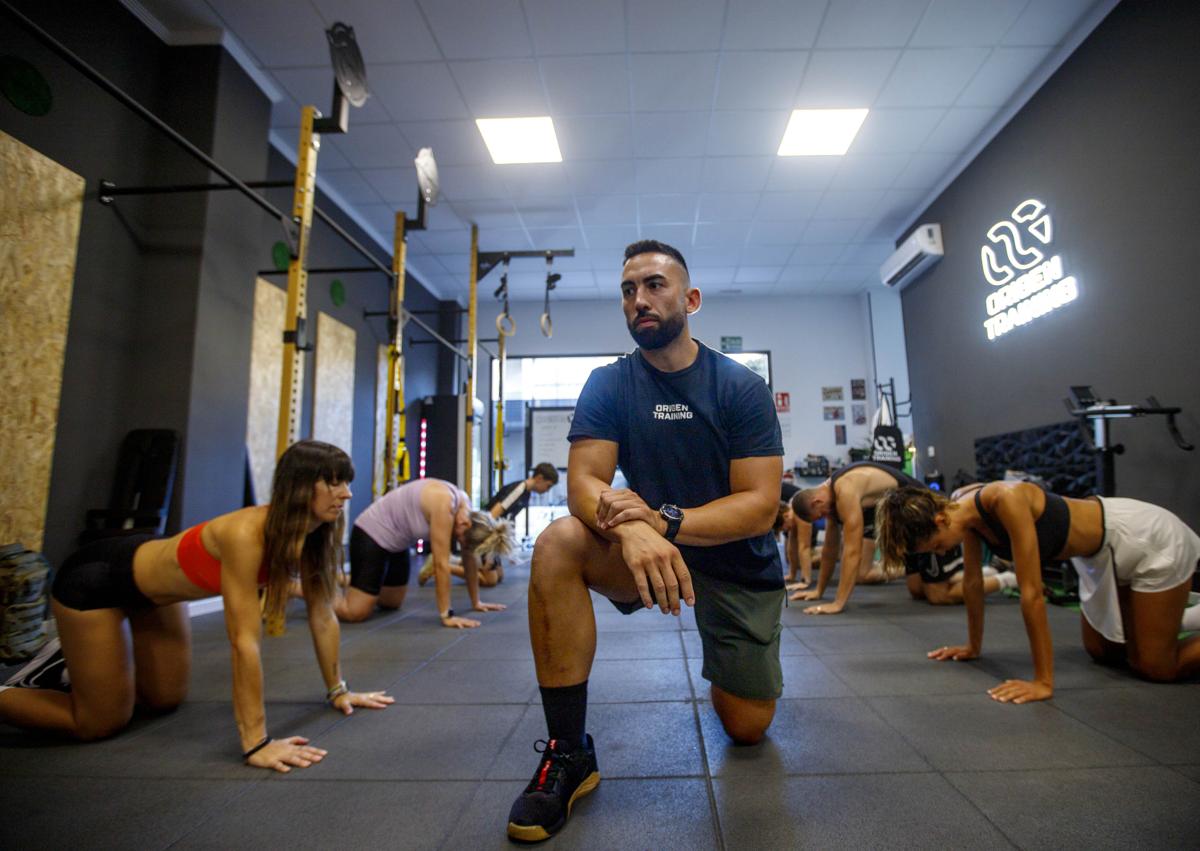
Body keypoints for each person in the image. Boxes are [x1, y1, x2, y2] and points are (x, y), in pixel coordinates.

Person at [506, 240, 784, 842]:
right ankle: (569, 751)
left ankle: (733, 663)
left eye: (655, 285)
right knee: (557, 542)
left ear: (691, 299)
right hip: (644, 550)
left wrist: (664, 522)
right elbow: (583, 482)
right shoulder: (610, 384)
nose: (640, 300)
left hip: (736, 562)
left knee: (746, 729)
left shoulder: (739, 387)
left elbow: (760, 506)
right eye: (629, 290)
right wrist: (634, 528)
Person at [0, 440, 393, 771]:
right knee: (98, 722)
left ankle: (74, 664)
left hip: (155, 597)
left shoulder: (313, 537)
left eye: (348, 483)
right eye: (335, 483)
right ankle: (38, 676)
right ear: (301, 486)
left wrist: (338, 690)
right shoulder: (246, 534)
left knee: (164, 699)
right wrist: (256, 742)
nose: (348, 494)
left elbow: (323, 616)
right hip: (98, 581)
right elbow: (244, 641)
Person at [875, 482, 1200, 704]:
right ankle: (1170, 622)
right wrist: (972, 646)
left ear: (941, 518)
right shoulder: (963, 508)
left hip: (1144, 539)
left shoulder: (1006, 499)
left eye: (936, 545)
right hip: (1102, 558)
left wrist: (1043, 682)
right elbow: (973, 583)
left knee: (1158, 667)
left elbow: (1031, 593)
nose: (939, 552)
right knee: (1104, 651)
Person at [790, 462, 1017, 613]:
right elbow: (830, 548)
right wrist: (818, 591)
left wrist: (838, 603)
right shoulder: (833, 496)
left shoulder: (845, 490)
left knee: (938, 595)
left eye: (822, 514)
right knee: (917, 591)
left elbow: (852, 548)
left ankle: (1010, 578)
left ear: (816, 502)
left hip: (929, 523)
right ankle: (993, 570)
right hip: (910, 532)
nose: (827, 517)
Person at [338, 477, 513, 628]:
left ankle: (347, 581)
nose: (459, 541)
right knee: (356, 612)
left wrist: (476, 602)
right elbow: (441, 564)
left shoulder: (466, 509)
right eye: (462, 540)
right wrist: (447, 615)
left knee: (392, 602)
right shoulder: (445, 505)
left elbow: (468, 557)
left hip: (398, 544)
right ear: (465, 525)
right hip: (371, 534)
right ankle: (316, 587)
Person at [419, 463, 558, 588]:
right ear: (539, 478)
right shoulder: (518, 489)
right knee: (490, 580)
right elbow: (491, 516)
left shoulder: (526, 494)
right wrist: (489, 551)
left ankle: (454, 561)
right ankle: (440, 567)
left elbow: (507, 519)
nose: (548, 489)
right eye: (548, 485)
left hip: (490, 534)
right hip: (484, 533)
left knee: (499, 576)